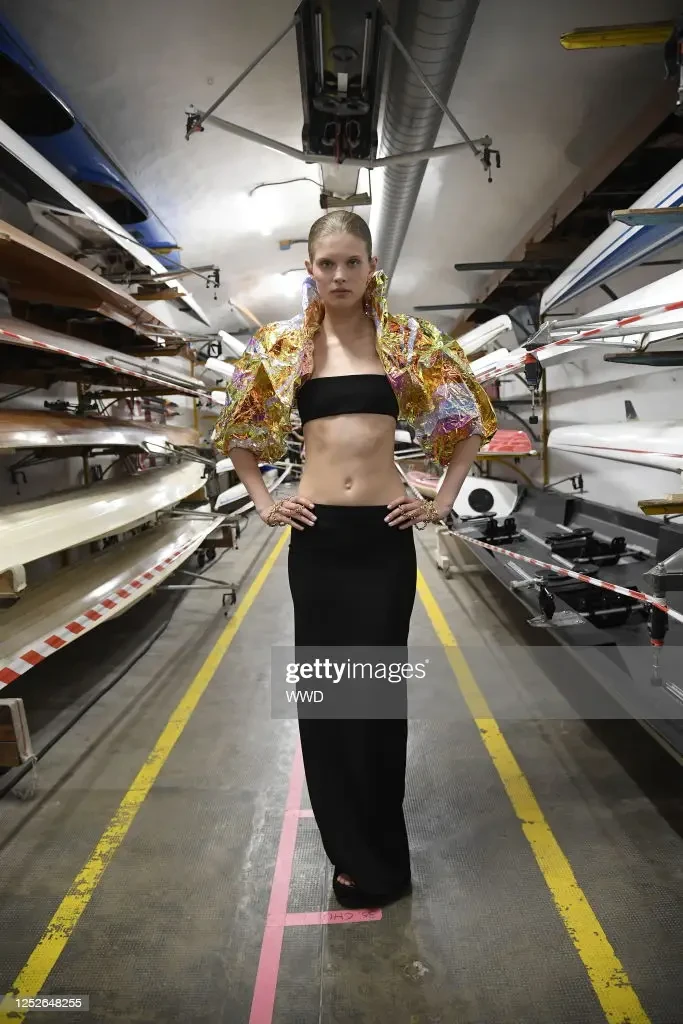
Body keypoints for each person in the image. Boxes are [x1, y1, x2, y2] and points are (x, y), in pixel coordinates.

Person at [212, 211, 497, 909]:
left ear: (372, 269)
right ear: (309, 269)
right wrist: (264, 501)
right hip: (319, 540)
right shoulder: (283, 347)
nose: (338, 275)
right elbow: (238, 430)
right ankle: (348, 850)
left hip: (382, 539)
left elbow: (468, 421)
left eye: (351, 262)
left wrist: (440, 500)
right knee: (327, 701)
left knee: (374, 702)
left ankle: (384, 853)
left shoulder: (408, 343)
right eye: (326, 263)